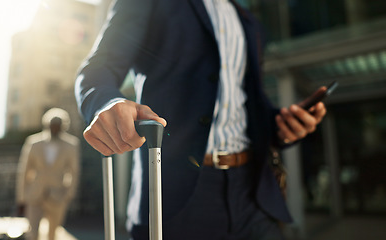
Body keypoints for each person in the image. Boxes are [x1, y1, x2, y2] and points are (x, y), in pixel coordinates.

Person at [75, 0, 326, 239]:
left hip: (252, 192)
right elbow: (99, 68)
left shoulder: (246, 18)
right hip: (179, 196)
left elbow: (248, 101)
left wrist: (284, 124)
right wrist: (107, 104)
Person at [16, 108, 80, 240]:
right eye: (52, 126)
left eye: (58, 126)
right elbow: (25, 170)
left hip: (57, 196)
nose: (54, 129)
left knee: (53, 234)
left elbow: (74, 172)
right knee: (32, 233)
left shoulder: (71, 145)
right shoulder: (33, 143)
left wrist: (68, 194)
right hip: (35, 194)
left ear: (63, 127)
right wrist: (22, 197)